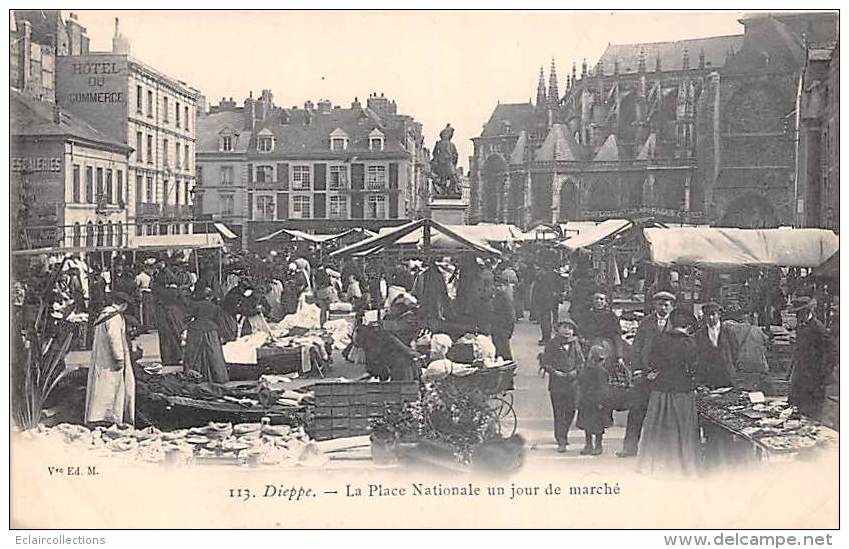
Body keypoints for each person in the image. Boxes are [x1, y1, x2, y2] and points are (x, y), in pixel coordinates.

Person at [618, 291, 694, 458]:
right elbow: (636, 348)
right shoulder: (646, 323)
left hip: (666, 377)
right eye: (660, 304)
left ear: (672, 307)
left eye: (667, 304)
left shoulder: (676, 324)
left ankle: (660, 452)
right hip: (645, 374)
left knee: (664, 414)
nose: (663, 307)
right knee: (637, 410)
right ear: (655, 305)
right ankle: (629, 447)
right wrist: (637, 370)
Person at [636, 325, 701, 477]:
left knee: (659, 427)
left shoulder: (660, 339)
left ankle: (658, 464)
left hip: (661, 389)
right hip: (682, 390)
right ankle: (683, 465)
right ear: (687, 327)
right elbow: (694, 364)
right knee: (683, 428)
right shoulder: (688, 342)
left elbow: (650, 361)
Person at [84, 291, 135, 426]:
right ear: (123, 305)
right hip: (111, 362)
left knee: (100, 389)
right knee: (110, 390)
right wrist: (119, 359)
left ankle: (97, 416)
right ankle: (108, 418)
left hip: (102, 357)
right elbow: (115, 339)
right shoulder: (115, 318)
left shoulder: (104, 316)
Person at [540, 319, 584, 453]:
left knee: (571, 410)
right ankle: (561, 439)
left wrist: (576, 372)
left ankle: (564, 432)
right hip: (557, 384)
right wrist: (555, 372)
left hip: (572, 383)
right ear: (558, 329)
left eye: (570, 328)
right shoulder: (552, 344)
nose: (567, 331)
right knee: (559, 411)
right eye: (564, 327)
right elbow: (545, 362)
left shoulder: (575, 344)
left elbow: (581, 361)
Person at [788, 297, 835, 419]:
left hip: (815, 377)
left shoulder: (818, 328)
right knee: (798, 409)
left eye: (799, 313)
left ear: (806, 311)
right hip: (801, 374)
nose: (797, 316)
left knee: (813, 412)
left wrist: (823, 373)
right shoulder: (801, 326)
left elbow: (832, 353)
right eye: (796, 313)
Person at [182, 287, 230, 383]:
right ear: (210, 297)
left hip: (196, 329)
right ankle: (217, 376)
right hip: (211, 329)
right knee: (213, 353)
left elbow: (186, 317)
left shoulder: (195, 305)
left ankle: (194, 374)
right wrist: (222, 334)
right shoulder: (215, 307)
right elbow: (219, 321)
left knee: (193, 352)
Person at [694, 302, 737, 388]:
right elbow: (698, 355)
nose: (710, 318)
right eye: (707, 315)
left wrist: (729, 365)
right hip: (708, 377)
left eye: (713, 314)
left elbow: (735, 351)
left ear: (719, 315)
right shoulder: (699, 334)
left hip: (727, 375)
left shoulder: (728, 332)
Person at [577, 345, 610, 455]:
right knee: (589, 425)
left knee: (597, 426)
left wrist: (601, 401)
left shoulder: (599, 371)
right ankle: (589, 445)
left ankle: (596, 445)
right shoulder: (589, 369)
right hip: (588, 400)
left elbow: (603, 388)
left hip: (595, 401)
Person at [532, 262, 562, 345]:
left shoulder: (542, 277)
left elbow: (538, 289)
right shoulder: (556, 275)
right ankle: (552, 333)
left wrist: (536, 300)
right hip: (553, 299)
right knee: (554, 316)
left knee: (545, 320)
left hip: (544, 300)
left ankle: (546, 338)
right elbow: (560, 286)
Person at [491, 273, 516, 361]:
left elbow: (511, 316)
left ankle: (508, 365)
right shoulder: (497, 297)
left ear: (505, 287)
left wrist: (510, 330)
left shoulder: (506, 299)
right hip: (496, 327)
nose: (498, 288)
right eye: (497, 286)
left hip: (503, 327)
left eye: (500, 286)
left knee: (504, 349)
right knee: (497, 348)